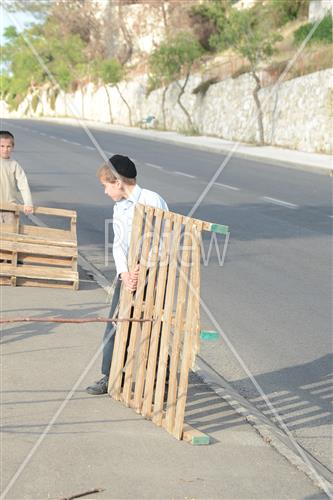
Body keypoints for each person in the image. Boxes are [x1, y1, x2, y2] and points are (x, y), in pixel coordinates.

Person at [86, 154, 168, 395]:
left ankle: (159, 379)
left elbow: (163, 238)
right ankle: (109, 375)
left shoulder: (152, 200)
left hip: (152, 274)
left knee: (151, 326)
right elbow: (118, 244)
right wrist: (124, 273)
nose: (105, 191)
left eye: (105, 186)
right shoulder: (119, 206)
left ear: (118, 182)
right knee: (116, 322)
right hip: (129, 274)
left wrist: (144, 267)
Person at [0, 130, 33, 223]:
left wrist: (28, 203)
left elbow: (23, 184)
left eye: (8, 146)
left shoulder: (14, 165)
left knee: (11, 234)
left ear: (12, 147)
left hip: (10, 207)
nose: (5, 149)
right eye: (2, 146)